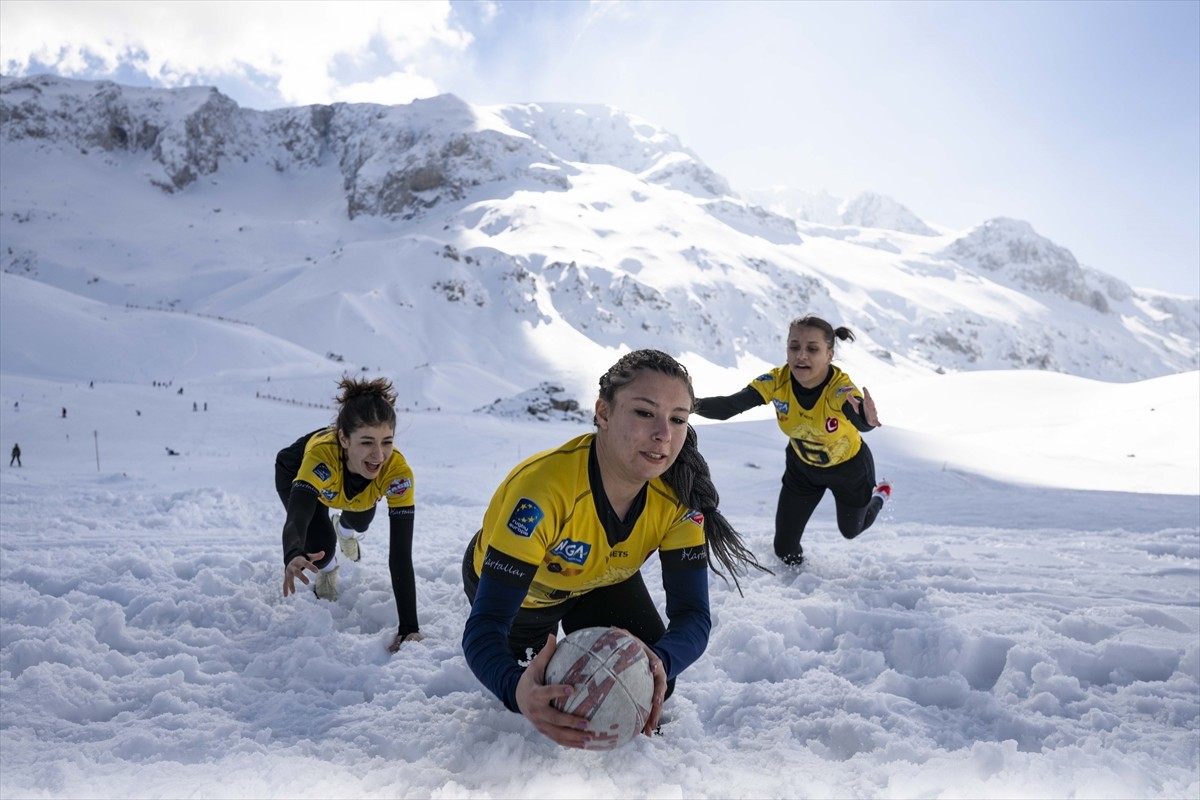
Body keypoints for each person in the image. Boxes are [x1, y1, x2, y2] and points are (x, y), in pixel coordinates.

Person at [461, 349, 767, 749]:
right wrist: (514, 688)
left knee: (652, 681)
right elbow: (485, 627)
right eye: (644, 413)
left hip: (601, 580)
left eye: (677, 419)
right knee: (547, 695)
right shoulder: (543, 490)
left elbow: (692, 617)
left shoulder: (678, 500)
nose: (664, 435)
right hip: (529, 597)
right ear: (603, 413)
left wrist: (661, 661)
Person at [694, 315, 890, 568]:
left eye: (812, 349)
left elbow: (857, 415)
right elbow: (731, 405)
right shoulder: (777, 381)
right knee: (784, 549)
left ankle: (881, 496)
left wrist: (866, 419)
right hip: (802, 470)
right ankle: (796, 584)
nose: (801, 356)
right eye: (794, 346)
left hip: (849, 470)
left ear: (829, 354)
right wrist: (688, 404)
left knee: (851, 530)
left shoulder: (839, 388)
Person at [277, 376, 424, 654]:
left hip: (350, 488)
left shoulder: (396, 472)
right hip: (298, 474)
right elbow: (299, 515)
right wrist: (292, 553)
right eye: (367, 442)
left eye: (387, 442)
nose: (379, 455)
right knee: (319, 548)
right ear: (344, 438)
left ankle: (344, 531)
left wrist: (409, 627)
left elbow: (400, 554)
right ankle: (330, 569)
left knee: (360, 519)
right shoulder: (323, 457)